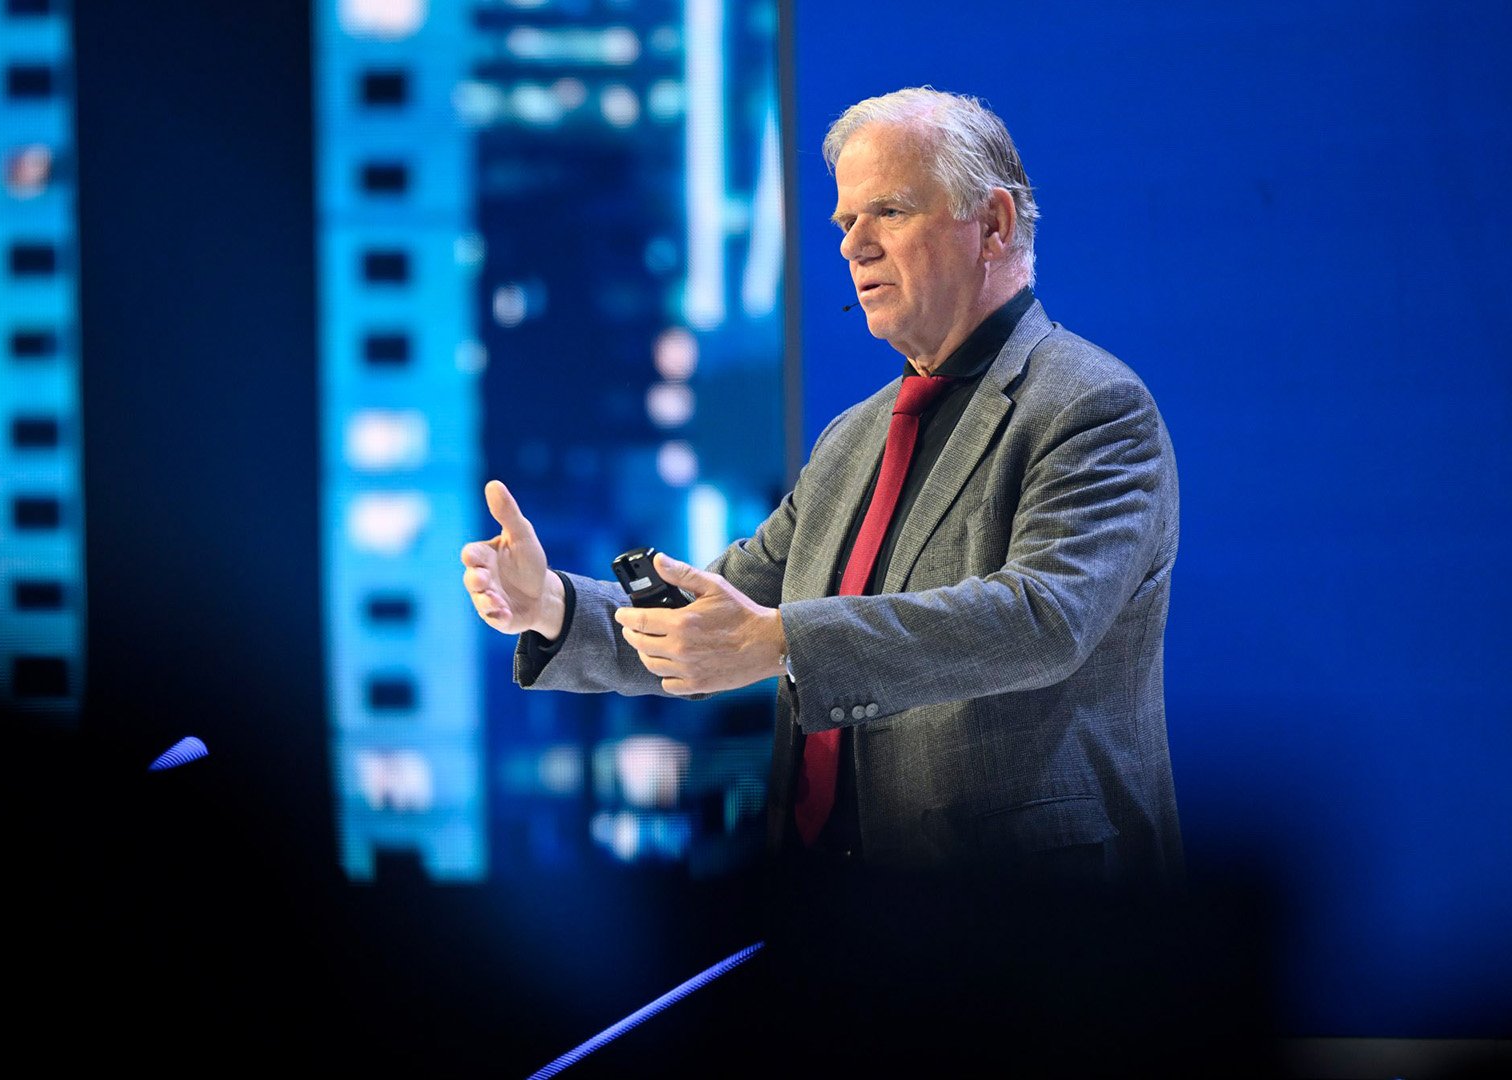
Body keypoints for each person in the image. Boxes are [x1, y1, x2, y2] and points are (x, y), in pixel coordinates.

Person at [460, 86, 1196, 1070]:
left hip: (1031, 943)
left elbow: (1043, 618)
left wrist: (784, 639)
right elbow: (717, 609)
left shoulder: (1089, 407)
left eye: (887, 210)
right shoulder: (852, 442)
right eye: (845, 220)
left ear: (995, 224)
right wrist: (553, 605)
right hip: (850, 940)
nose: (851, 245)